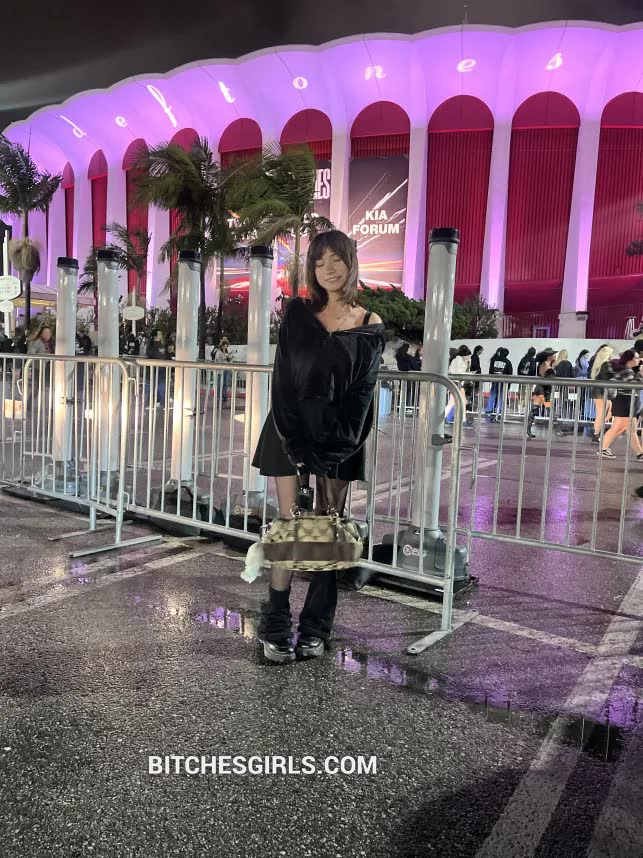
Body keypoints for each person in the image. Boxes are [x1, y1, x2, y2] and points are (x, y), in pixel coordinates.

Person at [251, 229, 385, 664]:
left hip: (340, 439)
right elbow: (283, 382)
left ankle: (315, 628)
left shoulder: (369, 323)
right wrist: (296, 444)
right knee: (291, 527)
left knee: (327, 531)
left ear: (351, 263)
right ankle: (275, 624)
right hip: (288, 433)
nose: (328, 268)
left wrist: (336, 446)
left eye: (336, 259)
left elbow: (362, 395)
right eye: (320, 261)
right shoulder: (298, 313)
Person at [597, 350, 643, 460]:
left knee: (631, 430)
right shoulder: (626, 371)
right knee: (618, 427)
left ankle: (640, 453)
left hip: (626, 402)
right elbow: (636, 385)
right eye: (636, 358)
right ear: (629, 360)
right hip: (624, 402)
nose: (638, 360)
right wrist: (641, 374)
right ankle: (603, 449)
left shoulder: (627, 370)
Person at [590, 345, 615, 444]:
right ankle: (596, 434)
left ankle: (597, 432)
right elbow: (611, 376)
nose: (612, 356)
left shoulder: (599, 365)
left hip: (600, 392)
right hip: (601, 392)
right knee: (601, 414)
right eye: (611, 354)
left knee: (606, 413)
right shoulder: (606, 364)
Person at [447, 345, 474, 429]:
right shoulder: (458, 360)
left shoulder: (458, 359)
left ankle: (443, 418)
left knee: (453, 403)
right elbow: (458, 371)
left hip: (456, 383)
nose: (469, 357)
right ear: (464, 355)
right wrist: (469, 373)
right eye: (468, 355)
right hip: (457, 382)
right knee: (461, 402)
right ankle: (463, 421)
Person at [485, 347, 513, 421]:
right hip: (503, 381)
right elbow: (510, 373)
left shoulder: (494, 360)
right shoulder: (508, 362)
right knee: (501, 396)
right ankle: (499, 411)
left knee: (492, 395)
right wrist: (509, 384)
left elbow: (490, 371)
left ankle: (489, 409)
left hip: (494, 380)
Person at [146, 329, 167, 405]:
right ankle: (152, 401)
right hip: (154, 369)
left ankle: (161, 401)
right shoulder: (152, 345)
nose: (161, 336)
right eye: (159, 334)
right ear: (155, 336)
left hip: (162, 369)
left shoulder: (161, 344)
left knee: (161, 386)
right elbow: (151, 354)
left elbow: (164, 355)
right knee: (154, 385)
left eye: (161, 334)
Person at [212, 337, 234, 405]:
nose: (225, 347)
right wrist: (226, 356)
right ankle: (219, 396)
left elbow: (229, 360)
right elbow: (220, 359)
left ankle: (224, 395)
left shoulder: (227, 352)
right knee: (220, 383)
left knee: (226, 383)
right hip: (220, 369)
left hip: (227, 369)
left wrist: (229, 358)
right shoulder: (218, 352)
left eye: (226, 346)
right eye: (224, 346)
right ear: (221, 346)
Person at [517, 347, 537, 413]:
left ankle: (520, 408)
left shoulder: (523, 359)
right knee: (527, 394)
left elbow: (519, 368)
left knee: (521, 393)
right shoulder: (533, 360)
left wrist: (520, 376)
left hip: (522, 379)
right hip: (529, 380)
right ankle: (525, 408)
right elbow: (533, 370)